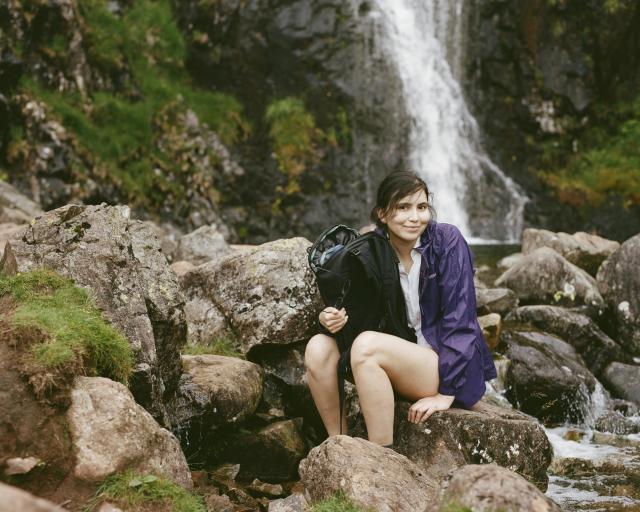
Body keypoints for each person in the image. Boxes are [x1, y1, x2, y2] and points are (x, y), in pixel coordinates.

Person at [304, 170, 497, 447]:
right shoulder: (371, 249)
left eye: (421, 207)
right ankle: (340, 445)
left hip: (443, 366)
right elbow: (352, 309)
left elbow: (461, 319)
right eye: (403, 207)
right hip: (397, 358)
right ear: (382, 214)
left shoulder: (447, 241)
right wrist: (330, 319)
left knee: (367, 346)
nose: (415, 217)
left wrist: (445, 394)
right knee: (318, 348)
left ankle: (381, 456)